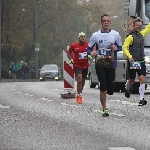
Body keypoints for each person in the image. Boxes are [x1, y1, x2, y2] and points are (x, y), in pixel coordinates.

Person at [87, 14, 122, 117]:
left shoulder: (115, 35)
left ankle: (106, 94)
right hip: (100, 63)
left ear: (110, 23)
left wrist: (116, 48)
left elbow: (121, 47)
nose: (106, 22)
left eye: (108, 21)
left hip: (111, 64)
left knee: (110, 90)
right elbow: (89, 48)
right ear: (101, 23)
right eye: (104, 21)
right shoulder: (96, 35)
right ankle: (104, 108)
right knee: (103, 86)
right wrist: (91, 53)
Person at [123, 17, 150, 106]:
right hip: (133, 61)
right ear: (133, 26)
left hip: (141, 61)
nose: (140, 27)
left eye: (141, 26)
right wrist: (129, 56)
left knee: (142, 79)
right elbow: (124, 47)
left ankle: (141, 99)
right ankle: (127, 88)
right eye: (138, 26)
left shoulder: (142, 34)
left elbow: (148, 28)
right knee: (132, 80)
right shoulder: (130, 37)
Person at [66, 32, 92, 104]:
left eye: (84, 36)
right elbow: (68, 51)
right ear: (79, 38)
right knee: (79, 79)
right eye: (81, 36)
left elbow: (92, 51)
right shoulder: (74, 45)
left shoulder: (88, 45)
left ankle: (79, 92)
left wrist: (90, 56)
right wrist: (71, 59)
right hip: (77, 65)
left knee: (83, 81)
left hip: (85, 65)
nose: (83, 38)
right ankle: (79, 96)